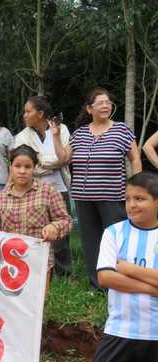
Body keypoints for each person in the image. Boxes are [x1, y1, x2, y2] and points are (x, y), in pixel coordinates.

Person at [81, 171, 158, 362]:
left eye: (140, 199)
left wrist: (128, 268)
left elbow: (117, 273)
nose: (132, 205)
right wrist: (150, 286)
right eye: (127, 199)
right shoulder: (114, 232)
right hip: (119, 328)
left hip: (155, 330)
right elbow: (105, 277)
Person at [0, 145, 72, 362]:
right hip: (10, 274)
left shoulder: (47, 192)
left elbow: (66, 220)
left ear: (34, 168)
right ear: (10, 168)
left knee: (31, 320)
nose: (23, 171)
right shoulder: (0, 199)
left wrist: (54, 227)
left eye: (28, 166)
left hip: (39, 269)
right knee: (13, 321)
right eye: (18, 166)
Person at [65, 88, 142, 290]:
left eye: (108, 102)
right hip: (83, 197)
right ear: (90, 109)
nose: (106, 105)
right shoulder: (79, 133)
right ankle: (97, 284)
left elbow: (135, 159)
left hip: (113, 196)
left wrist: (135, 188)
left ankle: (120, 282)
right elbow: (64, 159)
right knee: (91, 242)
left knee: (116, 240)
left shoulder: (121, 130)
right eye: (100, 103)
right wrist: (56, 137)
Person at [15, 96, 72, 276]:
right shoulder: (22, 136)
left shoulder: (61, 130)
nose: (24, 115)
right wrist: (51, 163)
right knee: (38, 230)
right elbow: (26, 163)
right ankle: (39, 272)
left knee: (61, 229)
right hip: (35, 190)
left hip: (60, 188)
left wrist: (42, 162)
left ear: (40, 114)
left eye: (28, 111)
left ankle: (63, 272)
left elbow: (65, 158)